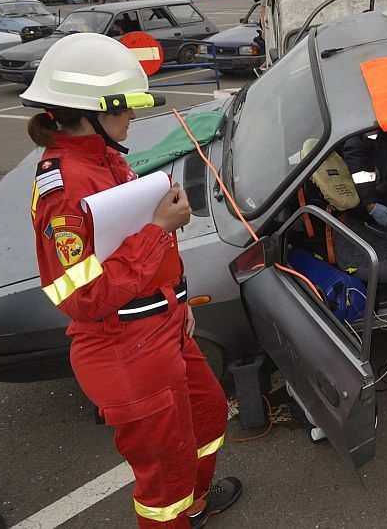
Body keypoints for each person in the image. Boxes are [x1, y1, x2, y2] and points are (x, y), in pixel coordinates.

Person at [20, 33, 242, 528]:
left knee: (206, 417)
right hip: (124, 348)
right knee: (163, 477)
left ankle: (196, 504)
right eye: (126, 110)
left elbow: (130, 250)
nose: (134, 118)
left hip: (160, 326)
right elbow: (84, 296)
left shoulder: (104, 159)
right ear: (93, 111)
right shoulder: (67, 189)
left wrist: (177, 301)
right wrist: (158, 229)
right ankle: (176, 515)